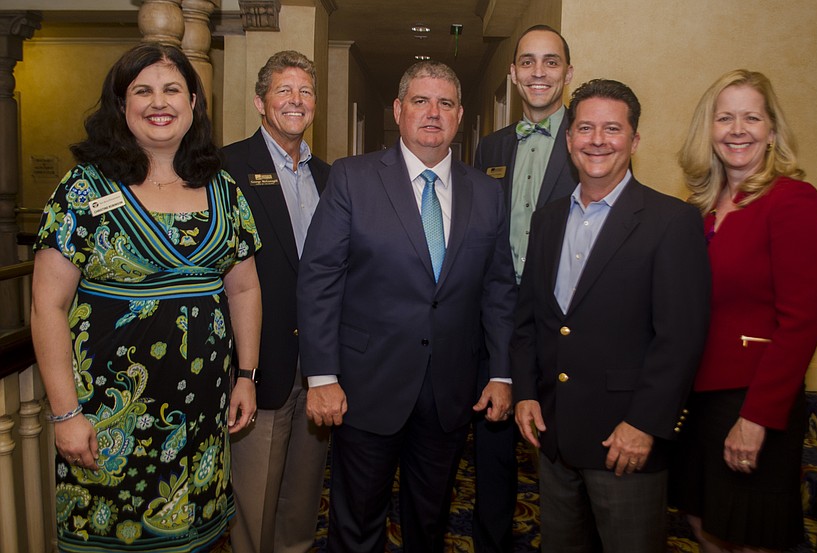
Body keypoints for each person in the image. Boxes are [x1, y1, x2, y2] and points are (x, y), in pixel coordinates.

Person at [29, 43, 261, 552]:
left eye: (172, 89)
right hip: (107, 423)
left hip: (201, 419)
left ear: (194, 102)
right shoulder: (83, 189)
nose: (160, 102)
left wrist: (246, 375)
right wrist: (66, 415)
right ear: (121, 105)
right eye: (143, 90)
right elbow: (47, 306)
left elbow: (243, 286)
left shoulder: (223, 187)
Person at [296, 61, 516, 553]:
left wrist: (501, 372)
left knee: (431, 518)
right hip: (364, 386)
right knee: (356, 522)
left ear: (460, 115)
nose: (432, 113)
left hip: (450, 393)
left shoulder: (487, 192)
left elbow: (499, 288)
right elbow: (319, 279)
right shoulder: (353, 178)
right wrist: (321, 376)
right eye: (420, 100)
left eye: (445, 103)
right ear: (398, 110)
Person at [511, 79, 711, 553]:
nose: (596, 139)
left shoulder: (671, 222)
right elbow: (529, 320)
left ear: (635, 140)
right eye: (585, 128)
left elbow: (680, 337)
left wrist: (644, 423)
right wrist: (524, 393)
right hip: (554, 438)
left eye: (612, 128)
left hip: (626, 443)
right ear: (568, 139)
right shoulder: (547, 219)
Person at [668, 69, 817, 552]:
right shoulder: (697, 208)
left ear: (772, 131)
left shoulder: (793, 201)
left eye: (751, 118)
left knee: (750, 536)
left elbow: (802, 322)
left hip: (754, 398)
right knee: (701, 521)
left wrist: (757, 416)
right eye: (725, 118)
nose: (737, 129)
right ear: (709, 130)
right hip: (697, 399)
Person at [471, 24, 577, 553]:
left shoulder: (589, 138)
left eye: (551, 62)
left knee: (561, 437)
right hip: (497, 309)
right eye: (528, 63)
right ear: (512, 74)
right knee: (493, 438)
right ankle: (493, 541)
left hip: (562, 312)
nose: (539, 72)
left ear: (567, 73)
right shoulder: (489, 145)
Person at [222, 50, 331, 553]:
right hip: (258, 364)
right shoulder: (226, 169)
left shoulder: (330, 179)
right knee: (254, 504)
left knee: (302, 502)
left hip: (319, 369)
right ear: (260, 101)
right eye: (284, 90)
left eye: (305, 91)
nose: (296, 100)